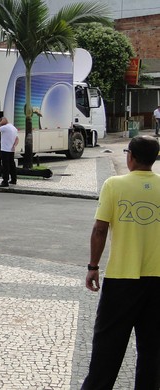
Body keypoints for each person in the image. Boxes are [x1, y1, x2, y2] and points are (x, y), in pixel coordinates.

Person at [82, 135, 160, 389]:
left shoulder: (114, 185)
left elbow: (99, 230)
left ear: (131, 158)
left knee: (107, 348)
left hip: (121, 280)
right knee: (152, 352)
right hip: (157, 281)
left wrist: (93, 267)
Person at [0, 117, 19, 187]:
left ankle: (5, 181)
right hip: (11, 150)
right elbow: (17, 139)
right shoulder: (14, 128)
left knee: (5, 166)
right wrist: (14, 146)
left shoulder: (5, 127)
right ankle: (14, 179)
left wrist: (0, 123)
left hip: (5, 150)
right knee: (12, 165)